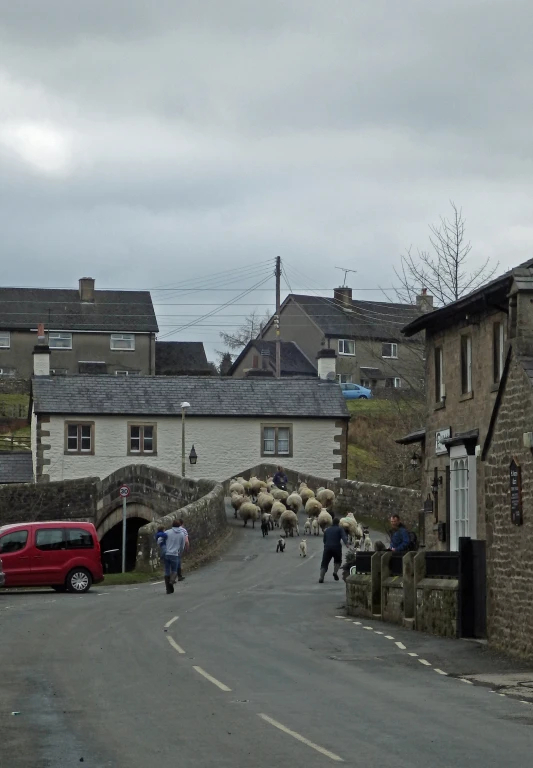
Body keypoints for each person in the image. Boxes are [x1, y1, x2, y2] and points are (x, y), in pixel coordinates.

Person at [319, 517, 350, 583]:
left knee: (324, 562)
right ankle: (335, 572)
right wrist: (346, 544)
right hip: (337, 547)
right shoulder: (340, 529)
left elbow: (324, 540)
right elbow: (343, 536)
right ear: (338, 523)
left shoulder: (327, 530)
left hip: (327, 547)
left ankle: (321, 577)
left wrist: (326, 545)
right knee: (338, 561)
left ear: (332, 522)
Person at [162, 520, 186, 594]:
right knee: (174, 570)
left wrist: (163, 546)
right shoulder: (182, 534)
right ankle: (171, 582)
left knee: (166, 570)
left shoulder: (167, 532)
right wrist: (180, 552)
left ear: (172, 525)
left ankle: (168, 589)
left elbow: (160, 539)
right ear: (179, 526)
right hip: (175, 554)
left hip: (167, 553)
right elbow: (182, 546)